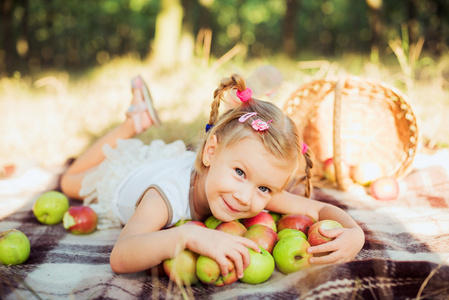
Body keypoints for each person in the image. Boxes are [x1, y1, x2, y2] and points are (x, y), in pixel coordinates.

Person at [60, 73, 365, 280]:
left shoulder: (254, 189)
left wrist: (355, 233)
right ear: (210, 152)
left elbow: (319, 210)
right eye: (239, 172)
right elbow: (122, 255)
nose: (245, 196)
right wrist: (189, 235)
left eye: (263, 188)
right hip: (128, 175)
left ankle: (138, 121)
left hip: (174, 163)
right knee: (70, 181)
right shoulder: (164, 196)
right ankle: (132, 122)